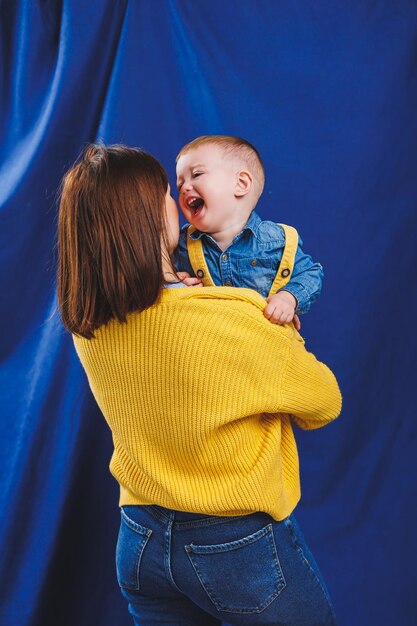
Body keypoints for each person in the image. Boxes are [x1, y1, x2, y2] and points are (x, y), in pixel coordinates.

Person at [57, 143, 342, 626]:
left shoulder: (90, 324)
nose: (180, 198)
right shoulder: (234, 316)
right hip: (234, 547)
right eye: (168, 192)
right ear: (147, 218)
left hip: (139, 540)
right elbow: (324, 401)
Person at [175, 135, 323, 328]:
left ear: (241, 184)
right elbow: (156, 277)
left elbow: (311, 274)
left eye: (197, 175)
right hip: (209, 347)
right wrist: (175, 284)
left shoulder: (277, 240)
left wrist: (288, 298)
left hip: (262, 347)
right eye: (179, 185)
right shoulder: (181, 244)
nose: (185, 187)